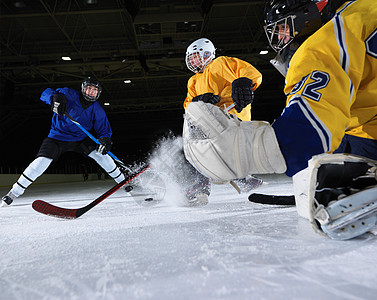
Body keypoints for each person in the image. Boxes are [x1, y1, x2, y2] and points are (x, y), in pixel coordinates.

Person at [182, 0, 377, 239]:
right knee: (340, 151)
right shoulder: (362, 10)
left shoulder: (324, 42)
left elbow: (304, 136)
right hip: (367, 129)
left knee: (332, 157)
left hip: (231, 119)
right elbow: (189, 106)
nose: (279, 37)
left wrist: (248, 151)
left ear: (310, 10)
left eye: (282, 27)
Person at [1, 77, 126, 206]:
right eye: (88, 88)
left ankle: (124, 182)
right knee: (41, 162)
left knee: (101, 155)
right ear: (83, 89)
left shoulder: (97, 109)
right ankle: (13, 193)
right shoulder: (68, 94)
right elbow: (45, 93)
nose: (91, 92)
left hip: (80, 139)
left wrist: (105, 140)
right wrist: (53, 98)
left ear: (98, 93)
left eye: (94, 90)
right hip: (57, 137)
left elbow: (103, 129)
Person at [180, 37, 264, 206]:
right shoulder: (194, 81)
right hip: (210, 121)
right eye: (191, 58)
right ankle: (241, 177)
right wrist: (198, 100)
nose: (193, 60)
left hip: (231, 115)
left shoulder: (218, 64)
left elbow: (248, 72)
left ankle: (203, 185)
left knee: (203, 144)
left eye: (196, 56)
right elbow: (188, 105)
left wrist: (243, 83)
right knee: (199, 144)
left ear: (206, 53)